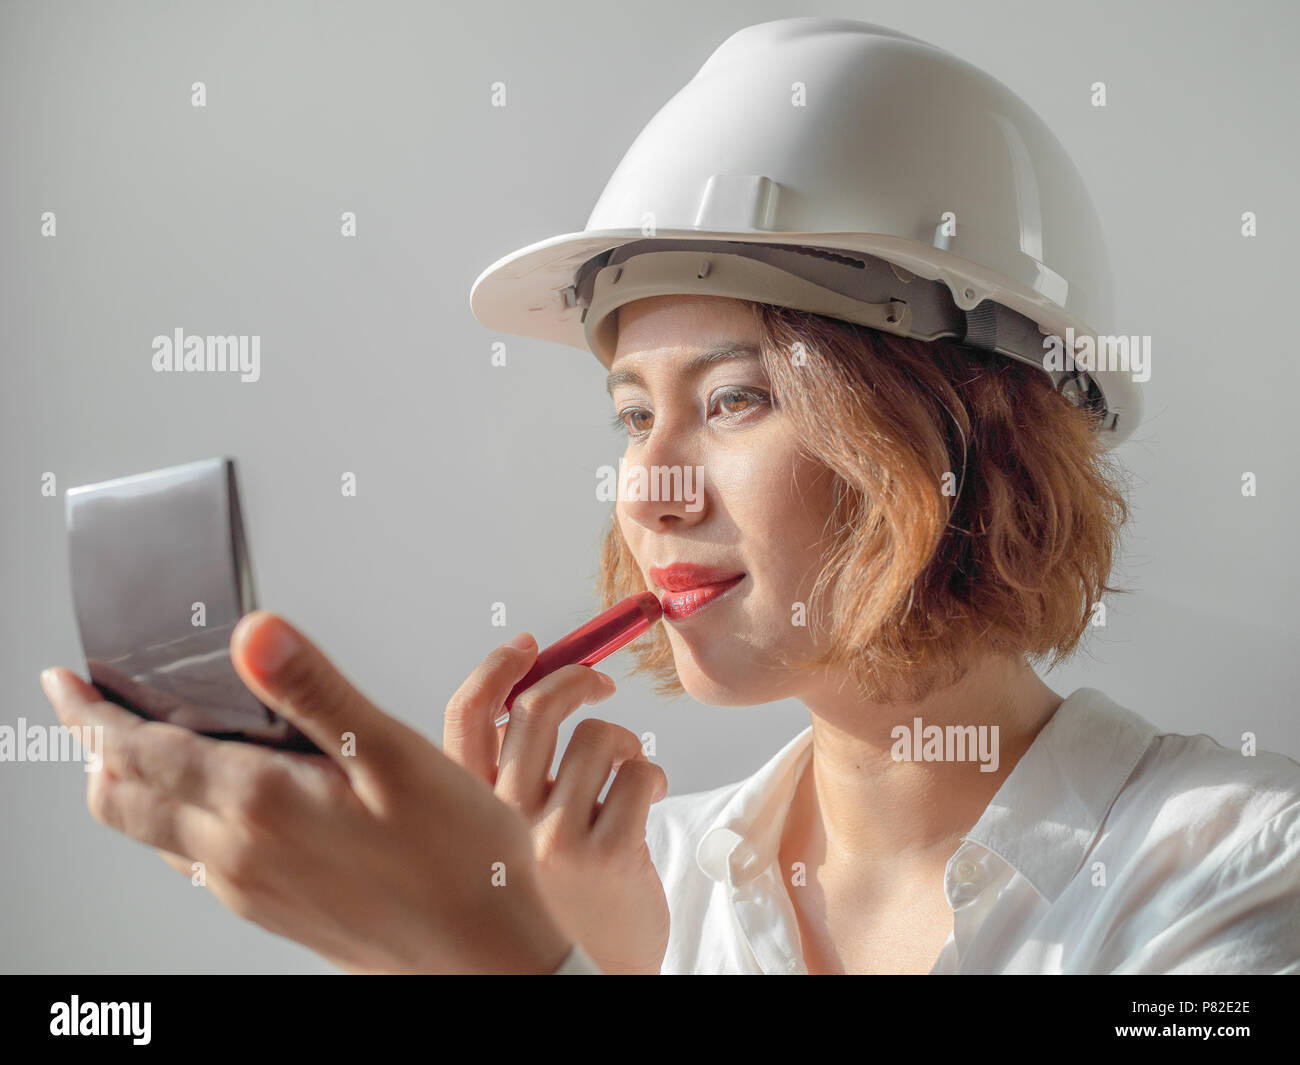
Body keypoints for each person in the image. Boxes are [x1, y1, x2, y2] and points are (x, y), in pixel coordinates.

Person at [39, 16, 1300, 975]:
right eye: (633, 413)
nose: (649, 486)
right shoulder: (647, 882)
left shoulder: (1240, 867)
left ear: (973, 430)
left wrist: (509, 959)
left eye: (736, 399)